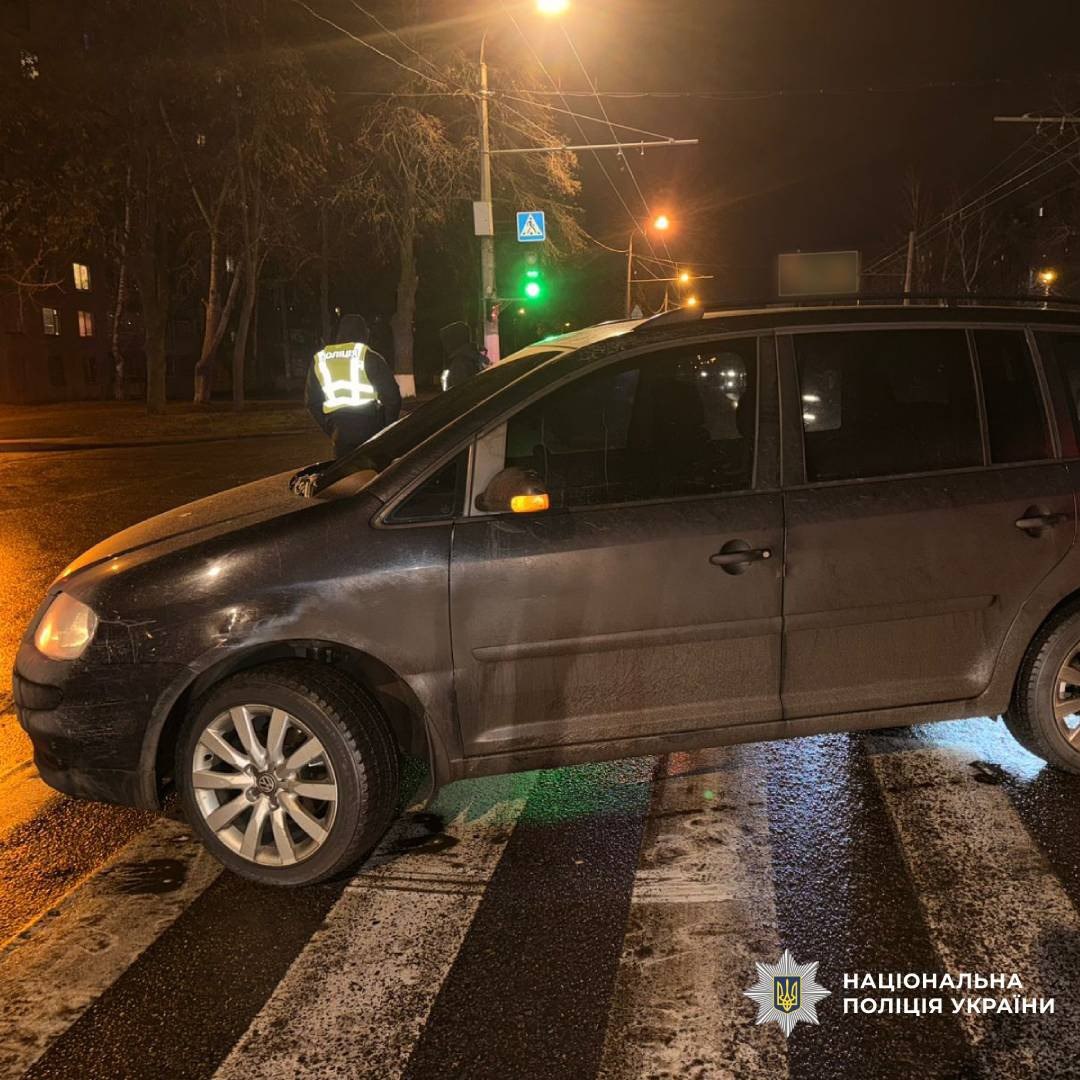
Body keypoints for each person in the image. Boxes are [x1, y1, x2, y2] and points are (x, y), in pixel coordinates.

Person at [306, 314, 401, 458]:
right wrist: (386, 430)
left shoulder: (320, 359)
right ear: (364, 333)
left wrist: (331, 429)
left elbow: (312, 402)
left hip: (340, 432)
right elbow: (392, 398)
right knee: (375, 476)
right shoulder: (368, 356)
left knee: (346, 477)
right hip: (371, 428)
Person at [440, 321, 486, 391]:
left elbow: (460, 394)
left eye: (446, 341)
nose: (445, 346)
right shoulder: (475, 357)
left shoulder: (459, 364)